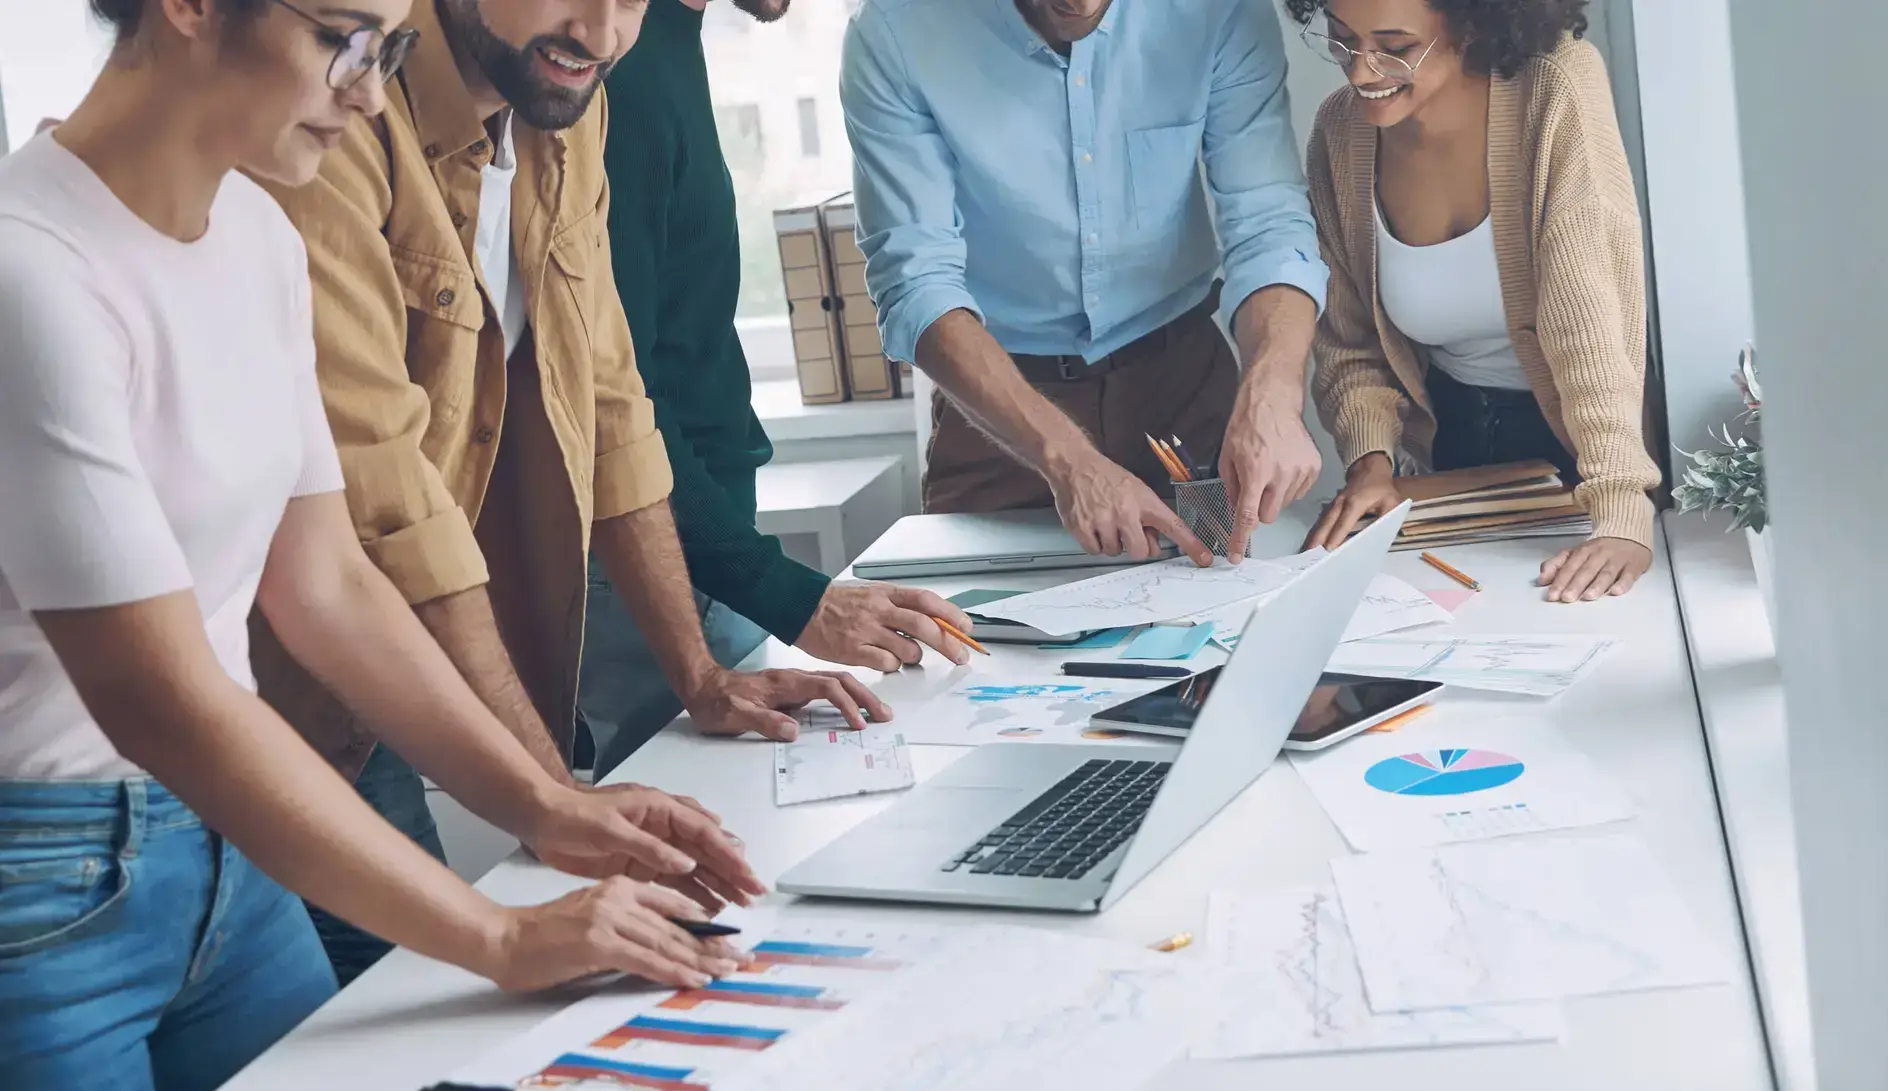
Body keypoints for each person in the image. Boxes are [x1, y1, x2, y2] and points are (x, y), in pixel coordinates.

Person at [0, 2, 759, 1091]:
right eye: (342, 41)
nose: (367, 94)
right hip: (46, 894)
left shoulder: (257, 236)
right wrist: (496, 934)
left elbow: (327, 585)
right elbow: (161, 697)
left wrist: (545, 805)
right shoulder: (31, 271)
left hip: (242, 850)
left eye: (391, 52)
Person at [249, 0, 893, 983]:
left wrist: (702, 678)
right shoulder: (343, 116)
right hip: (262, 690)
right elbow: (390, 501)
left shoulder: (562, 106)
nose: (598, 26)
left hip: (360, 678)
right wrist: (556, 803)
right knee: (388, 1022)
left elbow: (610, 404)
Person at [586, 0, 973, 779]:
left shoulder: (665, 43)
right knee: (687, 864)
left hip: (707, 544)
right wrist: (793, 597)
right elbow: (613, 398)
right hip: (650, 558)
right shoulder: (617, 72)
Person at [841, 0, 1331, 565]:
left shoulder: (1217, 9)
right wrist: (1067, 459)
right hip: (1001, 409)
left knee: (1228, 618)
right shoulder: (897, 30)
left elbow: (1268, 223)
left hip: (1186, 392)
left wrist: (1273, 388)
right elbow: (914, 280)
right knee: (980, 641)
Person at [1292, 0, 1662, 601]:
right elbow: (1349, 338)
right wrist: (1371, 460)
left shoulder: (1555, 83)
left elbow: (1590, 319)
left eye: (1395, 46)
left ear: (1472, 24)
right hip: (1451, 441)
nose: (1361, 72)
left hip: (1588, 441)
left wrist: (1621, 503)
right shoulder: (1341, 130)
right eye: (1341, 39)